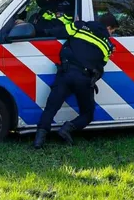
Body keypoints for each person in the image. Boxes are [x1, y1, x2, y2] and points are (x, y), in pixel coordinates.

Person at [33, 11, 119, 148]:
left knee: (51, 108)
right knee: (88, 113)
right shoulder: (108, 46)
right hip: (84, 79)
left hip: (66, 73)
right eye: (112, 31)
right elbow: (101, 65)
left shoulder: (79, 26)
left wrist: (37, 30)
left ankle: (38, 141)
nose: (112, 34)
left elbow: (60, 32)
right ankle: (67, 129)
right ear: (108, 28)